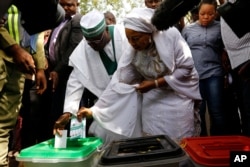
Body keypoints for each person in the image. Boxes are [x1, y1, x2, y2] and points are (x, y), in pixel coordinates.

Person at [67, 8, 201, 143]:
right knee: (155, 143)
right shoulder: (133, 51)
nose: (131, 43)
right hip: (152, 99)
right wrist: (95, 110)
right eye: (129, 39)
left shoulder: (170, 35)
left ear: (149, 32)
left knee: (179, 143)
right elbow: (118, 83)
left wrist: (155, 83)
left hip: (177, 96)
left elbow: (186, 68)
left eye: (135, 38)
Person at [53, 9, 130, 144]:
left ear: (106, 29)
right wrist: (68, 112)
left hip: (131, 101)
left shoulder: (124, 35)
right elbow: (75, 81)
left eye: (97, 40)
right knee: (102, 140)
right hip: (106, 107)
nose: (94, 45)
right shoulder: (85, 47)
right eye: (90, 42)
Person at [182, 0, 226, 136]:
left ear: (215, 14)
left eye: (210, 14)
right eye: (202, 14)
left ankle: (218, 141)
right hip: (194, 76)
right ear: (198, 13)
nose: (206, 17)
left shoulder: (221, 28)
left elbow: (226, 48)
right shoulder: (188, 29)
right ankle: (201, 142)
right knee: (198, 112)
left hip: (214, 74)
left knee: (216, 110)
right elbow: (180, 51)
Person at [44, 0, 83, 137]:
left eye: (70, 5)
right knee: (56, 113)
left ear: (77, 4)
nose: (66, 8)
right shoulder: (58, 21)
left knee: (70, 114)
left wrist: (57, 70)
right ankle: (58, 145)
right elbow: (51, 45)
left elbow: (73, 49)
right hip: (55, 75)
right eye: (63, 4)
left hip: (69, 76)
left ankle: (73, 147)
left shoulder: (78, 21)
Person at [0, 26, 36, 167]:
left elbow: (34, 35)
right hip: (7, 56)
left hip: (19, 65)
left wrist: (39, 67)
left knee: (4, 125)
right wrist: (14, 48)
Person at [220, 0, 250, 136]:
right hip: (235, 61)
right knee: (243, 108)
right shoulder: (229, 3)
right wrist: (226, 50)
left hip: (247, 60)